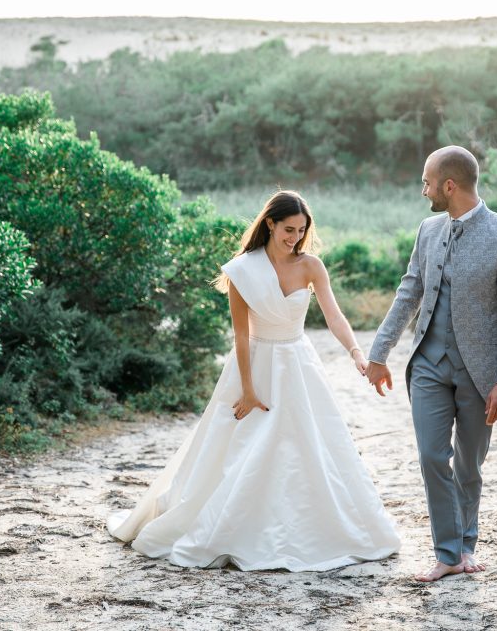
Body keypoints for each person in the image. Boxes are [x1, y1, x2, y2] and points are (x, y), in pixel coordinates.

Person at [107, 190, 400, 571]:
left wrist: (356, 353)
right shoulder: (243, 270)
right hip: (255, 364)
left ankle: (307, 531)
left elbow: (334, 316)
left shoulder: (311, 266)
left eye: (301, 230)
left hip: (298, 365)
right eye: (288, 229)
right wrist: (247, 389)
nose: (295, 237)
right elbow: (241, 336)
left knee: (307, 446)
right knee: (241, 447)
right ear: (270, 224)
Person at [365, 146, 497, 582]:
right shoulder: (427, 230)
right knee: (430, 456)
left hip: (482, 375)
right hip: (428, 364)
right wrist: (379, 353)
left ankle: (465, 546)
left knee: (468, 465)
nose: (424, 190)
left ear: (450, 186)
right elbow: (409, 292)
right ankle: (447, 552)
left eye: (427, 182)